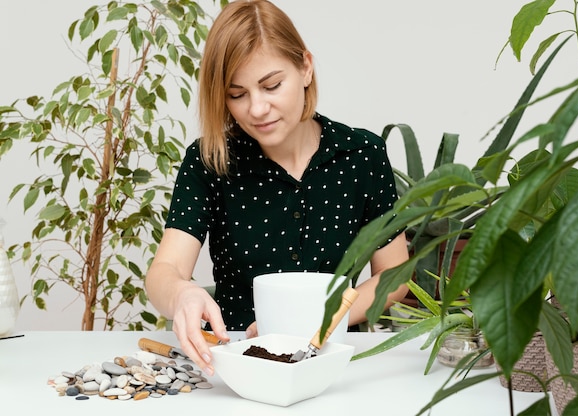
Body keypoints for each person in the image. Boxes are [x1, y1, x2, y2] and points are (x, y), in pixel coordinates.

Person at [145, 0, 409, 376]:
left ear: (305, 67)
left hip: (332, 360)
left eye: (271, 86)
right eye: (237, 94)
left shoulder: (361, 155)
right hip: (235, 364)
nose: (257, 108)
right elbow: (163, 272)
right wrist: (182, 294)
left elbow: (394, 277)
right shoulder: (209, 159)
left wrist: (319, 321)